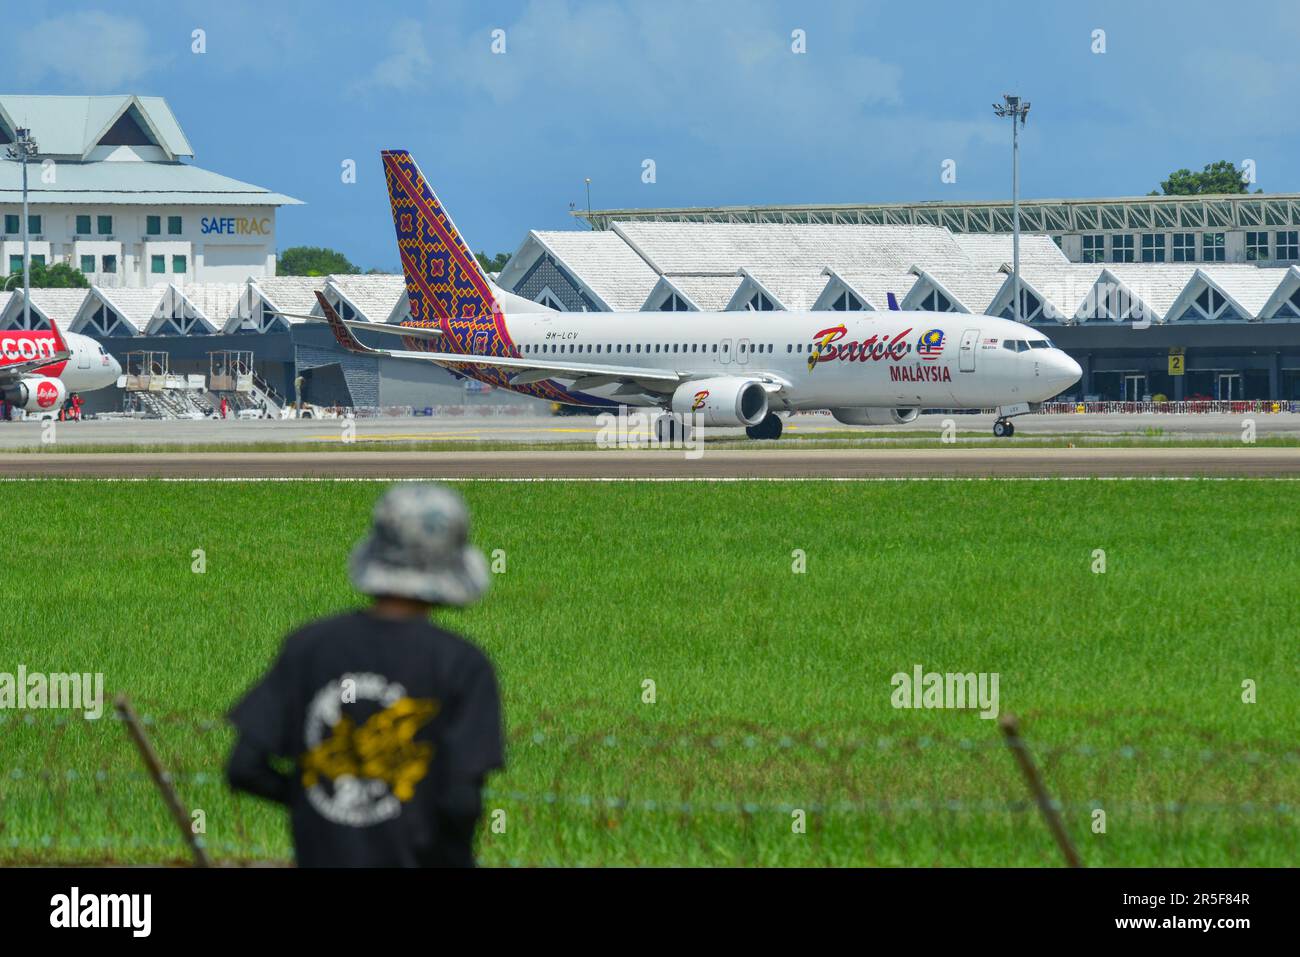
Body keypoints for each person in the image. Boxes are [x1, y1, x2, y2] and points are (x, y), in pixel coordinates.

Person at [226, 484, 504, 867]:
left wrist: (321, 802)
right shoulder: (462, 665)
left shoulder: (308, 646)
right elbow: (460, 804)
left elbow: (243, 768)